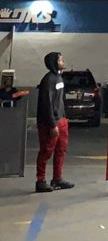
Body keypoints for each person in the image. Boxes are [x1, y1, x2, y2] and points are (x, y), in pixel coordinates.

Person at [35, 51, 74, 193]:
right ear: (54, 62)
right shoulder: (48, 80)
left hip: (62, 120)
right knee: (46, 151)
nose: (63, 61)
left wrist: (64, 117)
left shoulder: (59, 78)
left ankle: (57, 179)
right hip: (50, 122)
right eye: (60, 60)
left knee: (61, 150)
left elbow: (59, 101)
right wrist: (52, 124)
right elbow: (47, 104)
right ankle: (41, 181)